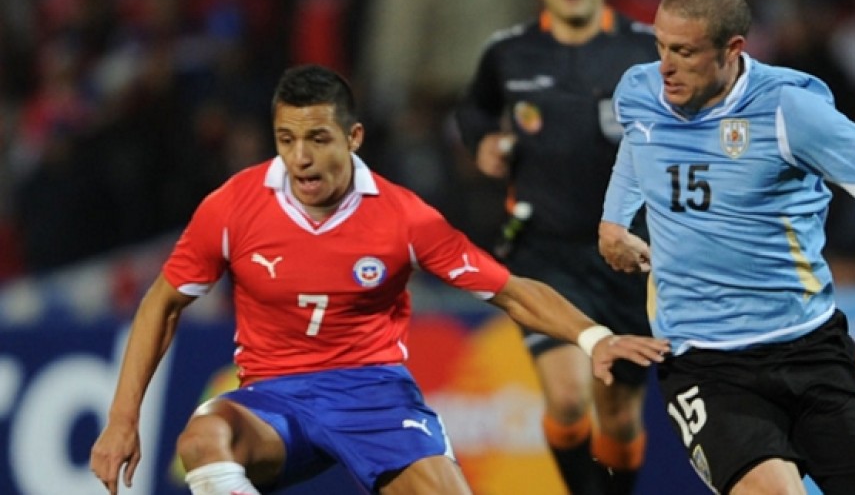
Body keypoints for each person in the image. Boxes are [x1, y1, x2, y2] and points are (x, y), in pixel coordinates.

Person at [89, 64, 669, 495]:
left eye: (317, 139)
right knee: (201, 441)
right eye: (286, 140)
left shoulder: (402, 217)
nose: (300, 159)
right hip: (273, 401)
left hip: (374, 397)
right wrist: (121, 421)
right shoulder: (233, 206)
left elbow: (512, 292)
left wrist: (594, 338)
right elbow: (161, 305)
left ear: (354, 138)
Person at [598, 0, 855, 495]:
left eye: (683, 51)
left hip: (810, 349)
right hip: (706, 360)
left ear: (733, 49)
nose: (665, 67)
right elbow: (638, 145)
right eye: (660, 46)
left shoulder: (789, 111)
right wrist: (613, 221)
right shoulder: (640, 91)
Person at [454, 0, 659, 493]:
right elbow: (475, 109)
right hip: (543, 253)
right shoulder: (508, 52)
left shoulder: (646, 47)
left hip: (629, 255)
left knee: (618, 414)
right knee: (567, 400)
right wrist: (482, 141)